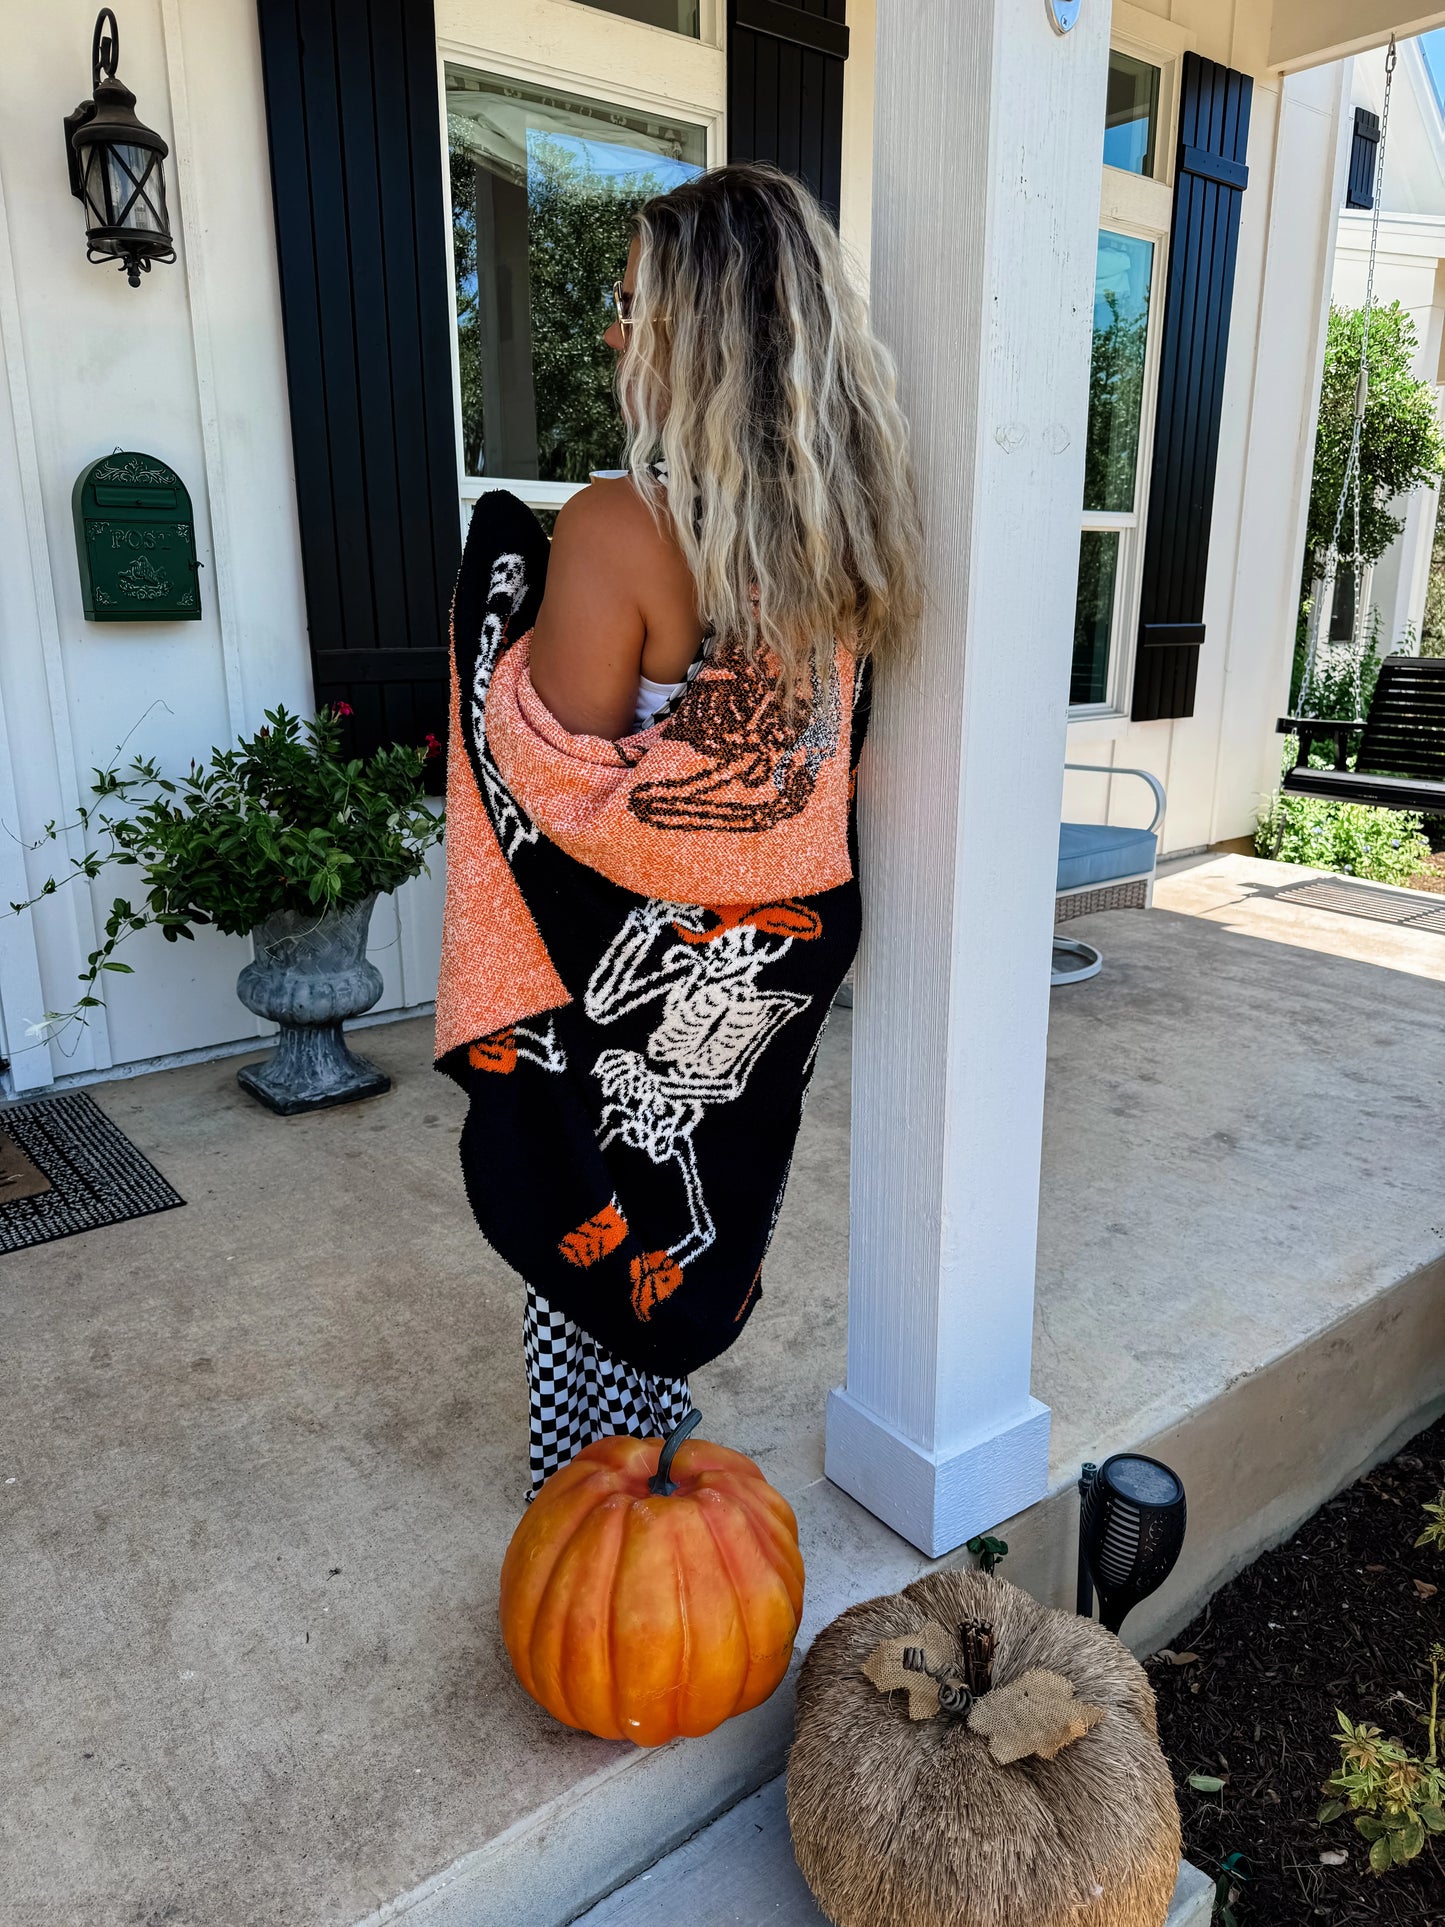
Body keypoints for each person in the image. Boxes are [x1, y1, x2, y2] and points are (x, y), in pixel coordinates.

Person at [434, 162, 922, 1496]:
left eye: (634, 306)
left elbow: (558, 795)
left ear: (704, 336)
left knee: (593, 1203)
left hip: (630, 978)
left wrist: (498, 590)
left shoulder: (614, 529)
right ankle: (654, 1459)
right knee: (691, 1199)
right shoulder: (846, 539)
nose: (610, 333)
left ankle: (594, 1493)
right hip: (765, 963)